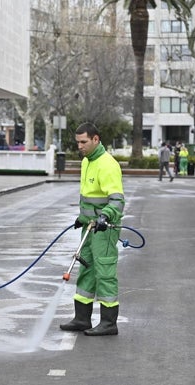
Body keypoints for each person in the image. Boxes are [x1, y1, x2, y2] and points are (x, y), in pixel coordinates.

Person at [60, 122, 125, 336]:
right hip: (89, 228)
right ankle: (82, 319)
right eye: (77, 142)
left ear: (96, 139)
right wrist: (82, 218)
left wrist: (105, 216)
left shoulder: (107, 164)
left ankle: (108, 323)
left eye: (83, 142)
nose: (79, 146)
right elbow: (90, 199)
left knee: (104, 272)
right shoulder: (87, 161)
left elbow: (116, 200)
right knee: (86, 269)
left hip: (104, 230)